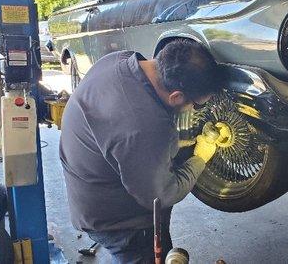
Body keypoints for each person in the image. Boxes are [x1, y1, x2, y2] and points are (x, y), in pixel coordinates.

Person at [59, 39, 224, 263]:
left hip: (88, 179)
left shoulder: (120, 59)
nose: (196, 109)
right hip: (117, 221)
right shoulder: (144, 126)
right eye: (197, 104)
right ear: (175, 96)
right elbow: (162, 195)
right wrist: (199, 158)